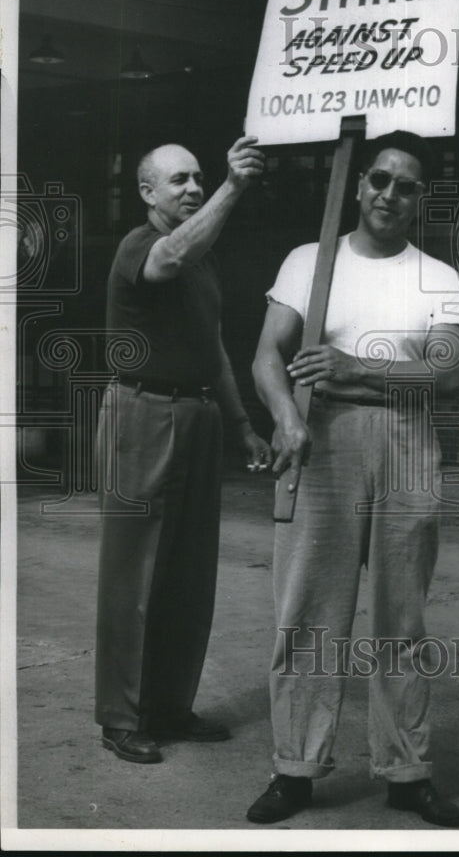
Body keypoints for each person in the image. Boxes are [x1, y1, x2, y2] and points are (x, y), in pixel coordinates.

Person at [247, 130, 459, 826]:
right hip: (323, 442)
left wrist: (355, 369)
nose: (388, 194)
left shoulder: (436, 276)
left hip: (406, 446)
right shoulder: (310, 263)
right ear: (358, 184)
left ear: (419, 199)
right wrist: (286, 416)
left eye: (405, 186)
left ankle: (406, 771)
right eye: (379, 179)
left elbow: (448, 369)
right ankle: (295, 767)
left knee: (399, 619)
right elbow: (265, 356)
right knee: (309, 612)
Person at [95, 136, 271, 764]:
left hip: (197, 414)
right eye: (180, 181)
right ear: (147, 192)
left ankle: (170, 705)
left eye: (199, 178)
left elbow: (214, 345)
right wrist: (234, 185)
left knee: (189, 574)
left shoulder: (205, 259)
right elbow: (169, 256)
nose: (194, 187)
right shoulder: (141, 245)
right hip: (143, 411)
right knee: (133, 573)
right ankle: (122, 716)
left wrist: (242, 423)